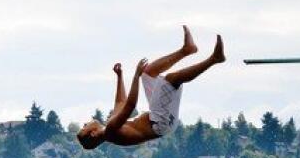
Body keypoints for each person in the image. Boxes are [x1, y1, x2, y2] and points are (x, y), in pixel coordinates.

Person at [76, 26, 225, 149]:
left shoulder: (109, 127)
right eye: (84, 127)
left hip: (157, 118)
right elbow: (130, 106)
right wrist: (135, 76)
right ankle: (214, 59)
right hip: (160, 123)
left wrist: (120, 76)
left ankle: (187, 49)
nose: (85, 124)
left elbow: (120, 103)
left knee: (148, 74)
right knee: (170, 80)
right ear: (93, 133)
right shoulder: (110, 132)